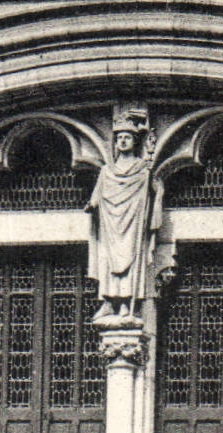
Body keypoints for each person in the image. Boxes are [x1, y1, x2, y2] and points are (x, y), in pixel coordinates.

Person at [86, 104, 161, 322]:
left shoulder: (142, 170)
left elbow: (155, 191)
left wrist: (158, 192)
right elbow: (97, 196)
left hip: (133, 222)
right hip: (111, 222)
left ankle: (127, 305)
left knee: (131, 259)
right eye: (119, 138)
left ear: (135, 141)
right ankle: (109, 302)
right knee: (108, 260)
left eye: (127, 137)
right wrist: (92, 205)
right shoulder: (106, 171)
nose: (123, 141)